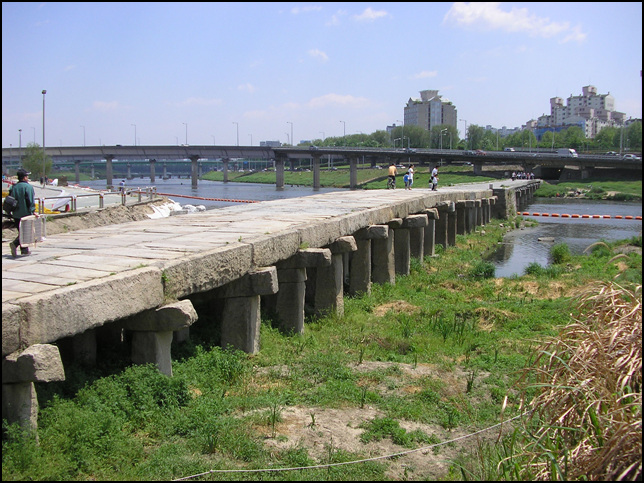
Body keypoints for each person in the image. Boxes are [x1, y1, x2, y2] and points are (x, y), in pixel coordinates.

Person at [8, 168, 38, 257]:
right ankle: (14, 244)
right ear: (24, 177)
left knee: (21, 231)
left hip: (16, 214)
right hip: (25, 213)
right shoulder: (28, 187)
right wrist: (33, 211)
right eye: (27, 176)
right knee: (26, 232)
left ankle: (24, 250)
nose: (28, 177)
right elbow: (30, 201)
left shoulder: (13, 187)